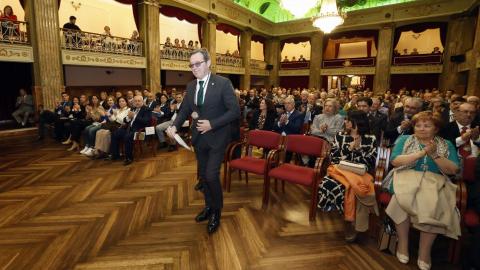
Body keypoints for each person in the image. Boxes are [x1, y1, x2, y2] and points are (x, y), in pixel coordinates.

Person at [166, 48, 240, 234]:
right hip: (199, 139)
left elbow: (234, 112)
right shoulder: (191, 86)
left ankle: (217, 211)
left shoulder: (223, 83)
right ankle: (208, 206)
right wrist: (175, 126)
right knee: (203, 176)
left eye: (198, 64)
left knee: (211, 175)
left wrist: (212, 124)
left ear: (208, 63)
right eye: (191, 65)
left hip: (217, 138)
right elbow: (184, 110)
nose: (194, 68)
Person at [385, 111, 460, 270]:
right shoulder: (405, 139)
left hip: (435, 181)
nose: (421, 128)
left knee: (436, 202)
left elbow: (453, 169)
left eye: (427, 125)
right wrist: (420, 153)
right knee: (399, 199)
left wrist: (434, 155)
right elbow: (395, 161)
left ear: (436, 128)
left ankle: (424, 252)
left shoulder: (446, 144)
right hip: (405, 177)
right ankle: (403, 244)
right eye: (418, 125)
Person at [317, 110, 377, 242]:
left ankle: (351, 222)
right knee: (329, 184)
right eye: (346, 120)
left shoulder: (370, 139)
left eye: (348, 120)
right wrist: (350, 150)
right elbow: (335, 158)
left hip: (360, 172)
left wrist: (357, 150)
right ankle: (348, 221)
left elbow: (370, 162)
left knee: (354, 188)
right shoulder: (340, 136)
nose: (345, 122)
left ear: (357, 122)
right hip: (341, 171)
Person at [109, 95, 151, 165]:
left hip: (141, 132)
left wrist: (134, 116)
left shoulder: (147, 109)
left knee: (127, 137)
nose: (137, 102)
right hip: (130, 129)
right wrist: (128, 118)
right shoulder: (133, 108)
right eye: (135, 101)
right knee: (115, 133)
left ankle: (129, 158)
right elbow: (125, 120)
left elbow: (146, 121)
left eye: (139, 101)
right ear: (133, 102)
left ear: (142, 101)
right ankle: (115, 155)